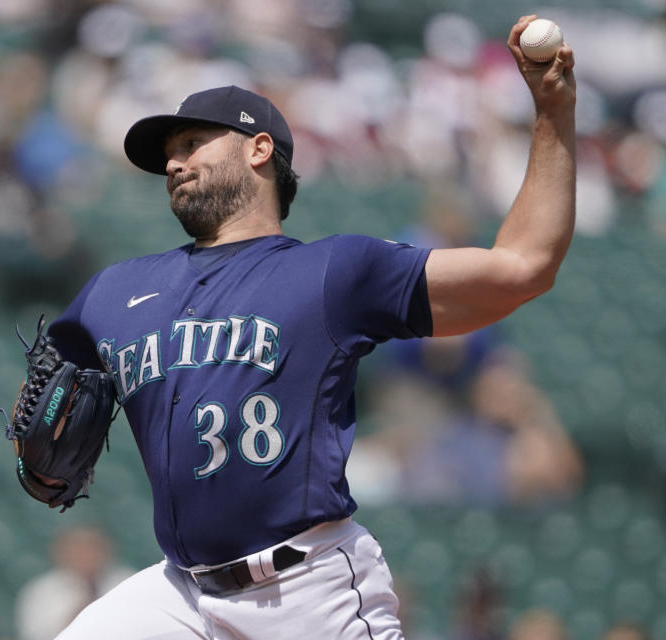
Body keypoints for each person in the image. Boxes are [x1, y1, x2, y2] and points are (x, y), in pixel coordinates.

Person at [40, 15, 576, 639]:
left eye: (191, 143)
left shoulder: (332, 272)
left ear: (258, 148)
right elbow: (49, 407)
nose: (174, 163)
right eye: (168, 154)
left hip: (306, 589)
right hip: (180, 592)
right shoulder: (117, 291)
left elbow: (523, 266)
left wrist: (551, 113)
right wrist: (41, 465)